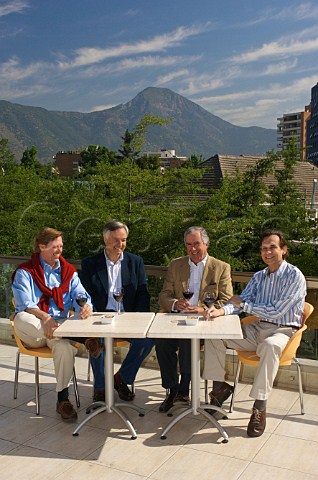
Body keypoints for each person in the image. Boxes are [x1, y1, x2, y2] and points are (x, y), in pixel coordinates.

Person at [203, 229, 307, 437]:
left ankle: (259, 407)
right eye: (264, 248)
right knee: (214, 334)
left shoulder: (294, 276)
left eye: (272, 247)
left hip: (282, 331)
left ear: (284, 250)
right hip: (257, 328)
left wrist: (245, 305)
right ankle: (219, 389)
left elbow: (277, 311)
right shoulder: (259, 277)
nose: (267, 252)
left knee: (269, 346)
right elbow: (239, 302)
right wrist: (221, 311)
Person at [12, 227, 94, 422]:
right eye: (55, 246)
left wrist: (87, 306)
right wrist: (45, 317)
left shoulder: (68, 272)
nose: (60, 250)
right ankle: (80, 338)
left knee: (64, 348)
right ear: (42, 246)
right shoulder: (25, 272)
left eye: (61, 246)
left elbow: (82, 295)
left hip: (57, 329)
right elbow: (25, 304)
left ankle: (62, 400)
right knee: (21, 318)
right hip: (35, 330)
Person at [156, 226, 233, 413]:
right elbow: (164, 294)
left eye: (197, 244)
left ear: (206, 243)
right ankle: (172, 389)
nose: (193, 249)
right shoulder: (176, 265)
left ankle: (183, 389)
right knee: (161, 343)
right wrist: (175, 303)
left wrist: (202, 309)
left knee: (187, 341)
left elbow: (226, 299)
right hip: (177, 319)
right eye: (189, 245)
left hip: (203, 321)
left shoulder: (221, 267)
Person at [80, 220, 154, 402]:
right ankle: (100, 388)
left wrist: (137, 319)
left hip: (128, 318)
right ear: (105, 240)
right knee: (96, 340)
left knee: (149, 338)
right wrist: (94, 315)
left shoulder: (135, 262)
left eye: (123, 240)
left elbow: (143, 294)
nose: (120, 245)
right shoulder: (90, 264)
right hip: (99, 318)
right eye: (115, 240)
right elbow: (84, 294)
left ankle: (121, 379)